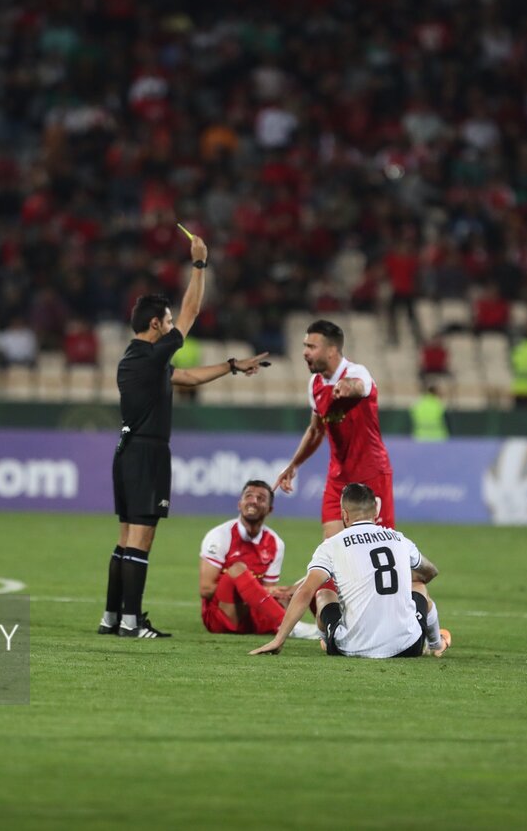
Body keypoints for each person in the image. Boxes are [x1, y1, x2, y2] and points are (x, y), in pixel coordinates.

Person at [100, 233, 269, 639]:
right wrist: (198, 264)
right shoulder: (151, 353)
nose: (175, 326)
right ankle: (130, 622)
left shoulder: (136, 359)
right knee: (142, 539)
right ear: (156, 325)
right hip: (147, 454)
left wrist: (231, 365)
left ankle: (112, 618)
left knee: (125, 538)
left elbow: (187, 376)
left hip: (128, 452)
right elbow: (192, 310)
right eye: (169, 322)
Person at [250, 483, 451, 658]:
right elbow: (430, 571)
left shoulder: (332, 546)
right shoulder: (400, 539)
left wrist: (279, 640)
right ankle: (436, 645)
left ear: (344, 515)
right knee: (419, 587)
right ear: (376, 513)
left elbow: (305, 591)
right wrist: (412, 578)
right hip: (407, 647)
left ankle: (327, 639)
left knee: (324, 594)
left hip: (350, 648)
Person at [275, 320, 394, 539]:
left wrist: (347, 387)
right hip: (338, 477)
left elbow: (360, 386)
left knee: (377, 545)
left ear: (331, 350)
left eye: (311, 347)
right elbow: (315, 431)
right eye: (305, 346)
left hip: (371, 473)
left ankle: (415, 572)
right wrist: (293, 465)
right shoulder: (315, 384)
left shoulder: (357, 372)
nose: (304, 353)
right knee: (333, 551)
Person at [199, 480, 318, 639]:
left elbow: (266, 593)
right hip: (220, 616)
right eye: (248, 496)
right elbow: (205, 590)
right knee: (238, 569)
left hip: (251, 614)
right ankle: (290, 626)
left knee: (315, 576)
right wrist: (246, 587)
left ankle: (327, 629)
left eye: (261, 498)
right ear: (239, 504)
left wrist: (282, 592)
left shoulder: (275, 543)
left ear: (270, 509)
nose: (254, 501)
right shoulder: (220, 535)